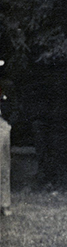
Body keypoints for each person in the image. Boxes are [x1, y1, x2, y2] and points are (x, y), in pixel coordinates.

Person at [0, 60, 11, 217]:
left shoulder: (6, 85)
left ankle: (5, 204)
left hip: (1, 125)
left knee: (3, 166)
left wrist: (8, 123)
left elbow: (13, 106)